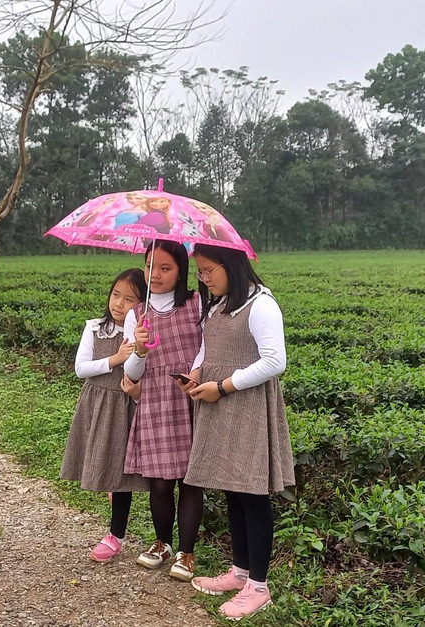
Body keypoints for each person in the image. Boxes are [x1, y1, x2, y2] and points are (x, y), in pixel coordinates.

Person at [182, 243, 294, 621]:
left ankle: (259, 587)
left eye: (209, 270)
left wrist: (225, 385)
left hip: (245, 406)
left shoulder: (261, 304)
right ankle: (240, 572)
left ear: (231, 264)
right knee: (232, 488)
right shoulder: (219, 301)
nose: (204, 278)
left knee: (252, 494)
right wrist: (198, 371)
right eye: (200, 272)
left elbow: (275, 360)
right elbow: (207, 347)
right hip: (219, 402)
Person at [120, 240, 205, 582]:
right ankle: (163, 543)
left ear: (181, 271)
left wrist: (196, 372)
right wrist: (138, 348)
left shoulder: (198, 304)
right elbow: (132, 373)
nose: (155, 275)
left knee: (190, 480)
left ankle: (187, 551)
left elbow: (206, 348)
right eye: (150, 266)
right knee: (159, 481)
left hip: (189, 395)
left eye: (165, 268)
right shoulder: (136, 314)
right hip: (155, 398)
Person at [59, 268, 150, 562]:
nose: (119, 304)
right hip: (96, 403)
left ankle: (115, 536)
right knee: (101, 461)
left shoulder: (140, 335)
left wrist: (136, 351)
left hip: (124, 407)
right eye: (115, 295)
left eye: (129, 299)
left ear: (142, 305)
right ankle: (111, 497)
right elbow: (81, 368)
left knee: (120, 476)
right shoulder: (96, 327)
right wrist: (115, 359)